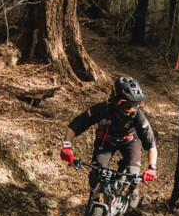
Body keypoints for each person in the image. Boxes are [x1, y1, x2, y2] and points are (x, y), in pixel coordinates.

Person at [60, 76, 158, 204]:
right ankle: (94, 202)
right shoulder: (102, 109)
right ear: (115, 100)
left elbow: (151, 145)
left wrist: (152, 168)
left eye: (136, 104)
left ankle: (133, 189)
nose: (132, 109)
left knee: (133, 175)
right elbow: (75, 125)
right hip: (106, 141)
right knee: (96, 174)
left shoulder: (139, 117)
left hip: (130, 141)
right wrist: (66, 147)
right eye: (127, 105)